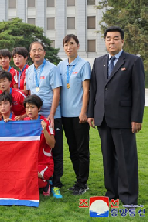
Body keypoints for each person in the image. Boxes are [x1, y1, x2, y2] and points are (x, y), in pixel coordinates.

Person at [87, 26, 144, 206]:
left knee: (126, 160)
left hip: (124, 119)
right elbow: (94, 90)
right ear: (105, 41)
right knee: (108, 158)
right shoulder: (98, 61)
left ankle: (128, 197)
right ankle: (112, 194)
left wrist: (136, 118)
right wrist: (91, 114)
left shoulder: (133, 61)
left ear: (122, 41)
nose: (112, 41)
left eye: (116, 38)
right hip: (102, 118)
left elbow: (138, 92)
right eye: (109, 38)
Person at [25, 41, 63, 198]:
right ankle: (41, 179)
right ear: (30, 54)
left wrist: (52, 115)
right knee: (37, 149)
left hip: (51, 115)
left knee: (55, 150)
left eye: (40, 50)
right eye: (34, 50)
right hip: (34, 116)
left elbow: (56, 92)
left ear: (44, 53)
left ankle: (56, 183)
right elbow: (29, 91)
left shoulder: (52, 69)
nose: (37, 53)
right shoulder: (29, 70)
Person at [58, 35, 91, 195]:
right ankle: (78, 180)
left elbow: (86, 90)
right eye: (66, 44)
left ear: (78, 45)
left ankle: (83, 183)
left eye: (72, 44)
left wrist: (84, 111)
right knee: (72, 149)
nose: (69, 47)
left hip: (79, 115)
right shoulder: (61, 65)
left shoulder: (84, 64)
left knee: (82, 150)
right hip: (64, 115)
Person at [23, 95, 55, 197]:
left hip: (44, 162)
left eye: (32, 107)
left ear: (39, 108)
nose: (29, 110)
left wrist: (44, 130)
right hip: (29, 161)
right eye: (27, 107)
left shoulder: (45, 122)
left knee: (31, 177)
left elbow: (52, 144)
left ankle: (45, 184)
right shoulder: (24, 122)